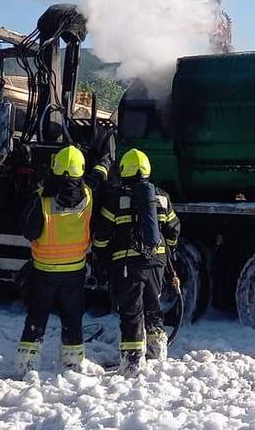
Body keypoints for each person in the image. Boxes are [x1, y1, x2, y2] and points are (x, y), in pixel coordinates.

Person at [92, 148, 180, 375]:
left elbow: (102, 235)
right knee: (153, 307)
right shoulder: (161, 196)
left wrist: (101, 256)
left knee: (131, 311)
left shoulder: (116, 198)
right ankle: (158, 352)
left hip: (127, 264)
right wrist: (166, 251)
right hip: (157, 262)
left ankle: (132, 362)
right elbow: (173, 229)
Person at [16, 145, 93, 374]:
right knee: (72, 317)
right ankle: (73, 363)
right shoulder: (88, 195)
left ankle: (27, 364)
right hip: (75, 271)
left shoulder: (41, 199)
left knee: (36, 317)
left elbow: (28, 231)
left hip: (44, 271)